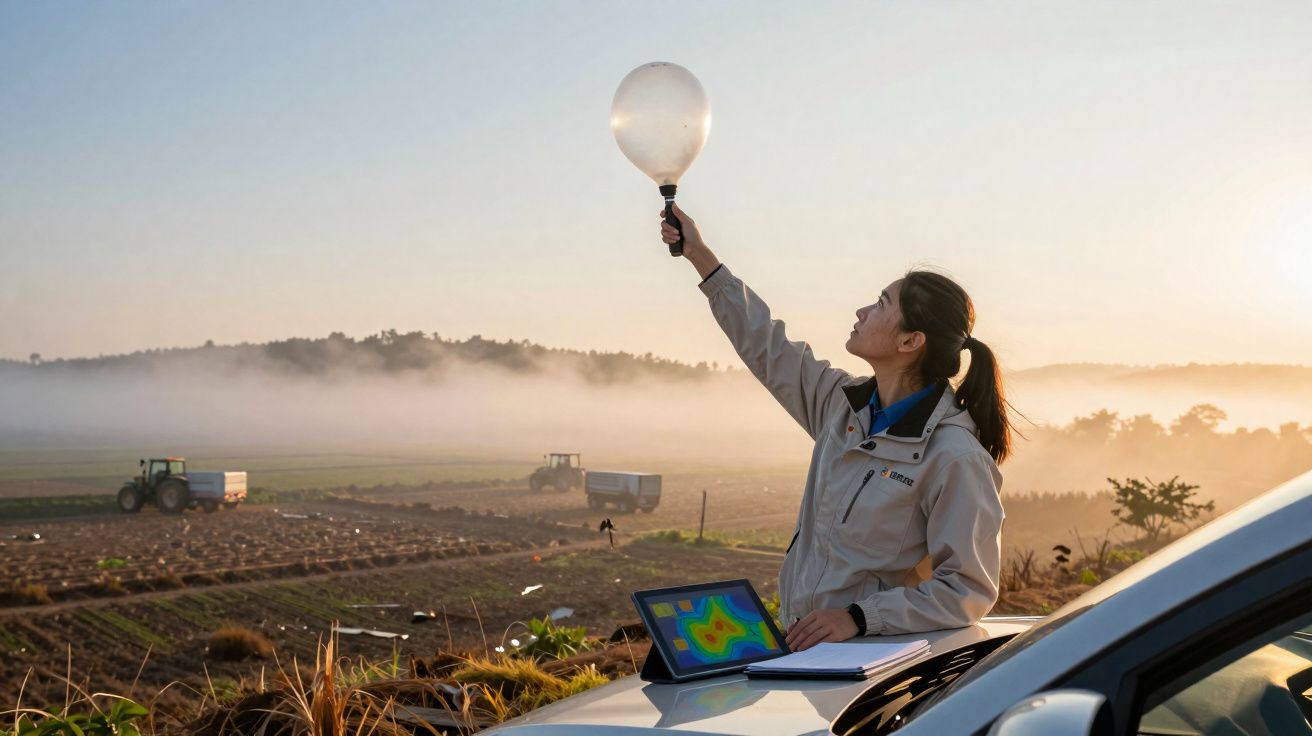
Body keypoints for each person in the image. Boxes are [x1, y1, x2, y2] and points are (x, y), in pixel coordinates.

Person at [659, 204, 1012, 651]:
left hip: (872, 663)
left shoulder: (954, 456)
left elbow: (967, 591)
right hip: (803, 646)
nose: (862, 310)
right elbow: (767, 345)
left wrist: (859, 619)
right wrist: (701, 258)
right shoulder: (841, 406)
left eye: (881, 303)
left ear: (910, 342)